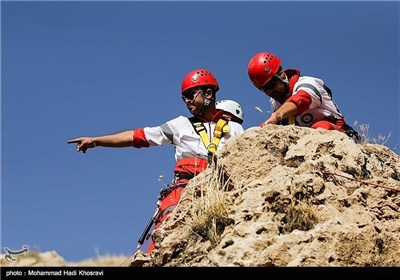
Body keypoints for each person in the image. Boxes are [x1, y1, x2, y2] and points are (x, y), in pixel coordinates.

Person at [67, 68, 244, 254]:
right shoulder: (180, 124)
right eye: (184, 98)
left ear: (208, 93)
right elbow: (139, 136)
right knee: (167, 229)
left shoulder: (235, 129)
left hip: (219, 190)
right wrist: (96, 141)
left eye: (191, 95)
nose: (187, 102)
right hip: (185, 189)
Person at [247, 51, 360, 141]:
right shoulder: (276, 100)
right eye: (264, 89)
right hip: (305, 142)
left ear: (281, 74)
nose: (270, 92)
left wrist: (275, 116)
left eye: (272, 84)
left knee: (321, 128)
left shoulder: (308, 84)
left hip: (337, 134)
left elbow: (301, 99)